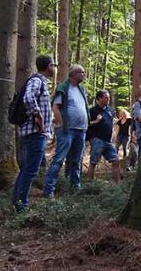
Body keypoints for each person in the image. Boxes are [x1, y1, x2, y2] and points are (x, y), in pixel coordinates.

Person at [12, 55, 55, 211]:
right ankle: (21, 205)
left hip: (34, 133)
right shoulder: (37, 81)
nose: (54, 69)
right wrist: (38, 116)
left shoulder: (40, 82)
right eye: (53, 65)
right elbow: (28, 98)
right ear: (49, 66)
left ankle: (17, 202)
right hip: (34, 134)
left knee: (26, 169)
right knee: (30, 170)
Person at [43, 64, 90, 197]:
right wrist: (61, 123)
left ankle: (75, 188)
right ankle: (49, 189)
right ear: (73, 74)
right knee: (59, 159)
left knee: (76, 160)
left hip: (81, 130)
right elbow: (55, 107)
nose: (83, 74)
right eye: (81, 72)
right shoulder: (64, 88)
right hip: (67, 130)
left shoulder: (81, 89)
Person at [86, 90, 121, 182]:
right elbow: (85, 124)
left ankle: (117, 185)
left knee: (116, 160)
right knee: (93, 162)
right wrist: (95, 122)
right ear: (99, 98)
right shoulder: (92, 111)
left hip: (108, 141)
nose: (108, 99)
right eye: (106, 97)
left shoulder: (110, 110)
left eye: (109, 97)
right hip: (97, 139)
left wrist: (113, 135)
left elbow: (111, 124)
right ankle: (90, 184)